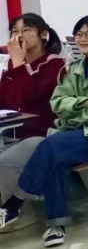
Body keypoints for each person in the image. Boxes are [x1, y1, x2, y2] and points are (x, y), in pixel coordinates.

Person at [0, 15, 88, 246]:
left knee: (52, 146)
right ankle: (56, 225)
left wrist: (74, 109)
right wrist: (83, 104)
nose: (82, 39)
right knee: (56, 154)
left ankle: (14, 204)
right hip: (77, 132)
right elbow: (58, 102)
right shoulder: (75, 67)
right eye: (79, 34)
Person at [0, 15, 66, 232]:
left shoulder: (55, 64)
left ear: (43, 34)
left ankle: (22, 213)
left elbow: (29, 99)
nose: (19, 36)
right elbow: (6, 101)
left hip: (44, 133)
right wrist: (15, 66)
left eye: (26, 30)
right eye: (15, 31)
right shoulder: (13, 64)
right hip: (14, 131)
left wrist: (18, 64)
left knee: (6, 161)